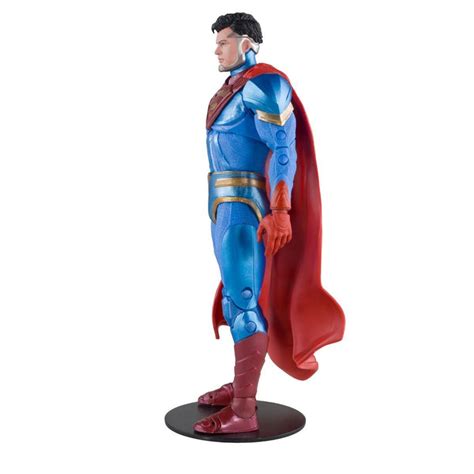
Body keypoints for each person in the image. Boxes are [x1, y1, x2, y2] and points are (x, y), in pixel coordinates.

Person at [193, 12, 345, 435]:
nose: (216, 49)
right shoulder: (232, 88)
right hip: (222, 203)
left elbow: (282, 148)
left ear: (246, 43)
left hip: (246, 204)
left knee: (243, 299)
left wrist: (280, 211)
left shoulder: (264, 84)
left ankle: (244, 411)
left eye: (224, 41)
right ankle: (242, 385)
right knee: (234, 297)